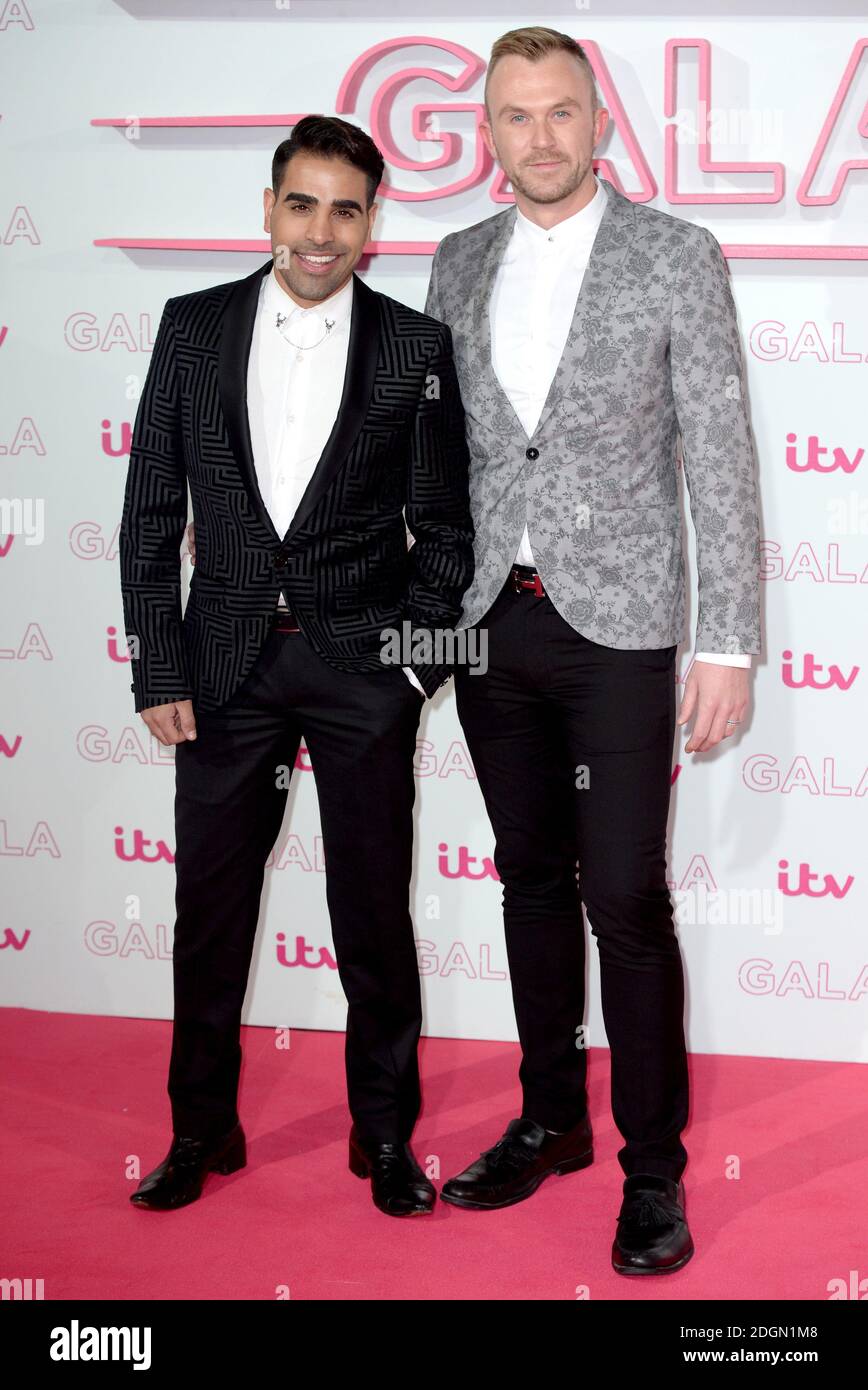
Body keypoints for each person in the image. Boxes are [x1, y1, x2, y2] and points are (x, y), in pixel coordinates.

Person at [424, 27, 761, 1273]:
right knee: (526, 881)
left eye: (561, 111)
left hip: (621, 627)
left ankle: (654, 1171)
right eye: (516, 116)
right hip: (486, 624)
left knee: (622, 893)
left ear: (597, 120)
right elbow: (440, 456)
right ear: (492, 133)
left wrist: (726, 641)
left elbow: (718, 453)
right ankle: (550, 1118)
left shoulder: (675, 253)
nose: (541, 137)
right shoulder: (454, 262)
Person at [119, 115, 474, 1217]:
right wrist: (154, 667)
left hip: (359, 671)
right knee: (207, 914)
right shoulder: (190, 328)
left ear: (374, 223)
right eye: (302, 203)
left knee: (372, 915)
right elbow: (148, 514)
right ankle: (198, 1132)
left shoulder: (416, 349)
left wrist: (411, 674)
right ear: (268, 208)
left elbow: (447, 533)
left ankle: (384, 1137)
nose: (321, 232)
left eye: (346, 209)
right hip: (222, 671)